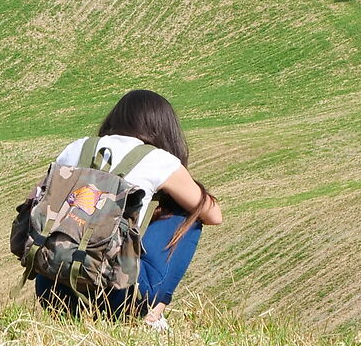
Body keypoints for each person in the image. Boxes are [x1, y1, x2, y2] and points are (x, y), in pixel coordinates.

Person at [33, 88, 222, 326]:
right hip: (117, 298)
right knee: (190, 214)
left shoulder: (78, 148)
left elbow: (37, 199)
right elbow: (213, 214)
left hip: (51, 289)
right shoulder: (158, 160)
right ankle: (153, 314)